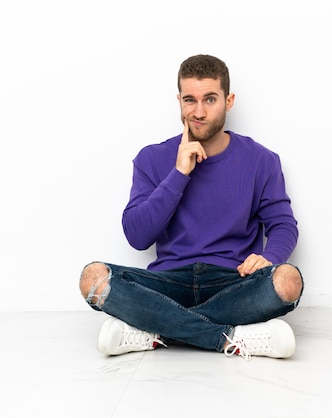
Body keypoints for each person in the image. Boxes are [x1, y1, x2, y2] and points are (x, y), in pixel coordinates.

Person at [79, 54, 303, 360]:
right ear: (179, 101)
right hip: (168, 282)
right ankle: (230, 338)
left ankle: (153, 328)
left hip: (233, 281)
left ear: (229, 100)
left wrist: (270, 257)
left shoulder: (261, 160)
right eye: (190, 100)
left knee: (288, 281)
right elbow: (137, 235)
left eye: (210, 99)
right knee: (93, 278)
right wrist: (179, 173)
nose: (198, 112)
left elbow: (283, 224)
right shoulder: (152, 158)